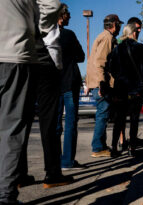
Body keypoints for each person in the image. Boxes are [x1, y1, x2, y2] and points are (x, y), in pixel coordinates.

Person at [0, 0, 72, 203]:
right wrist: (35, 26)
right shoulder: (61, 34)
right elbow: (51, 4)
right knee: (12, 128)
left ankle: (18, 177)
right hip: (15, 52)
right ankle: (6, 195)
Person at [106, 22, 143, 157]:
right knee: (134, 119)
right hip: (135, 89)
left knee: (119, 119)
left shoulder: (117, 49)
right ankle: (132, 147)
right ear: (134, 33)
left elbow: (110, 67)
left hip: (120, 88)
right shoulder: (140, 47)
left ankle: (114, 147)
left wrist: (119, 78)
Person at [86, 14, 123, 157]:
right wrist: (102, 84)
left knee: (103, 113)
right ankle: (97, 147)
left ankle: (101, 145)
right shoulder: (107, 38)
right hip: (101, 83)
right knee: (102, 114)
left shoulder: (104, 37)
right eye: (118, 24)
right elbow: (100, 62)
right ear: (113, 24)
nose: (119, 27)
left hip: (97, 82)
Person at [56, 4, 86, 170]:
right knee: (70, 122)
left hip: (52, 85)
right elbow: (81, 57)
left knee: (55, 124)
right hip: (69, 82)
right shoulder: (69, 34)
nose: (70, 17)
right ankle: (67, 161)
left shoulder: (45, 35)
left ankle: (53, 161)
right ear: (62, 15)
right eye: (68, 13)